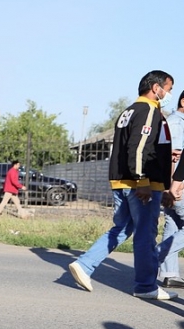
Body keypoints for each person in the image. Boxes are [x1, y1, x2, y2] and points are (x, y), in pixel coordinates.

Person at [68, 71, 179, 300]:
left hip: (124, 181)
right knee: (145, 234)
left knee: (123, 228)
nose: (169, 94)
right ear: (156, 88)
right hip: (140, 184)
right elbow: (138, 148)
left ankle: (85, 264)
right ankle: (146, 285)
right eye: (168, 88)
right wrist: (143, 182)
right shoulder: (148, 110)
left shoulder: (129, 110)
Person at [156, 91, 184, 288]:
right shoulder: (177, 123)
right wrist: (170, 187)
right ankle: (156, 255)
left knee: (173, 224)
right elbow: (171, 157)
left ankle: (170, 273)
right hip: (178, 186)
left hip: (175, 185)